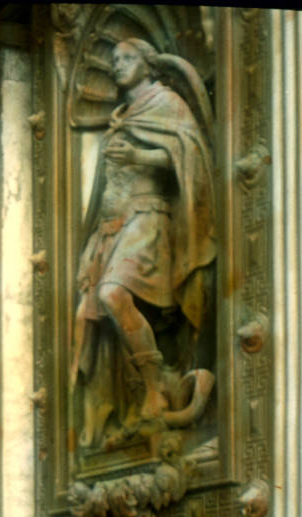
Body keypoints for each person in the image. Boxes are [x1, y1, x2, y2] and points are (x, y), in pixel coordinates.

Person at [71, 37, 216, 447]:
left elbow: (189, 155)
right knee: (96, 309)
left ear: (148, 65)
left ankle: (157, 385)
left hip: (149, 220)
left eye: (128, 59)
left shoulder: (167, 103)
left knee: (113, 295)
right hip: (112, 227)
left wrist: (140, 158)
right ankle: (151, 387)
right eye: (114, 60)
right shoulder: (120, 116)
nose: (118, 66)